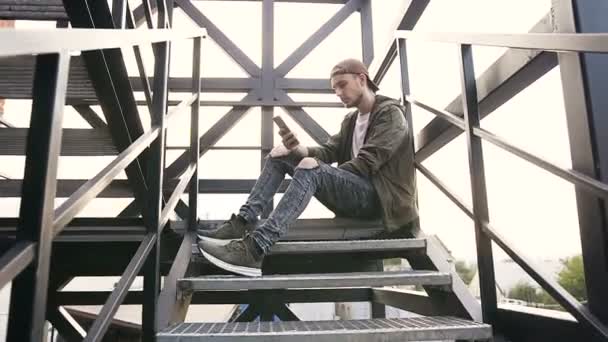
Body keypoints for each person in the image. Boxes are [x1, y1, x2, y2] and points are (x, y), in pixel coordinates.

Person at [197, 58, 418, 277]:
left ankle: (256, 249)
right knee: (279, 156)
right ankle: (241, 223)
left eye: (342, 85)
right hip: (356, 194)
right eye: (334, 89)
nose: (338, 93)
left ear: (362, 79)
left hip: (381, 204)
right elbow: (328, 151)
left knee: (314, 170)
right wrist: (298, 150)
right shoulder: (351, 120)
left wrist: (318, 169)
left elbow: (367, 164)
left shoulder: (390, 114)